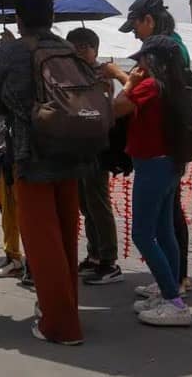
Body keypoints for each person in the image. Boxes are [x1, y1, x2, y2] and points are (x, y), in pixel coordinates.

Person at [0, 0, 95, 345]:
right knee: (65, 235)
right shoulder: (67, 48)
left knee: (40, 240)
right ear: (51, 15)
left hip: (30, 153)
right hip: (70, 151)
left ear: (19, 18)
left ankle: (60, 325)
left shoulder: (13, 51)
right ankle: (64, 309)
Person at [110, 0, 192, 297]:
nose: (134, 32)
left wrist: (125, 80)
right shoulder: (172, 79)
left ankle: (172, 297)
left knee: (143, 234)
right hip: (170, 157)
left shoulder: (149, 85)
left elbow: (119, 107)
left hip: (152, 162)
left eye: (136, 26)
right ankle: (170, 285)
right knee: (164, 228)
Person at [66, 27, 123, 285]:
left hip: (97, 146)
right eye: (75, 48)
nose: (79, 52)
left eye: (84, 47)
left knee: (98, 202)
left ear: (95, 50)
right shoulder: (69, 73)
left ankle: (109, 259)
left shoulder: (101, 75)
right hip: (77, 146)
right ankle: (94, 253)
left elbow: (103, 106)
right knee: (85, 203)